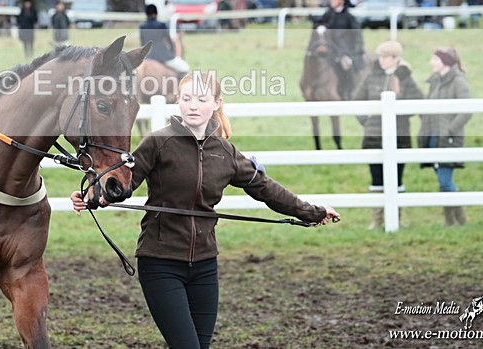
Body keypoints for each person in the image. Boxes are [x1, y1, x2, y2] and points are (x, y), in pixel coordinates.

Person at [71, 71, 339, 348]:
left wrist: (313, 212)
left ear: (216, 103)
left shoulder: (226, 152)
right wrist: (91, 195)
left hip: (205, 266)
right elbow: (121, 185)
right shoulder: (157, 143)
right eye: (187, 98)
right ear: (179, 101)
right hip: (160, 262)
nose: (193, 105)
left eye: (201, 99)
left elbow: (267, 189)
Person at [355, 40, 423, 230]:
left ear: (396, 59)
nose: (382, 60)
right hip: (373, 136)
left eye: (385, 57)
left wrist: (399, 100)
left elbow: (416, 103)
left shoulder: (406, 79)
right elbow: (357, 100)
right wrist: (366, 121)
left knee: (397, 178)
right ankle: (377, 220)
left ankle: (396, 218)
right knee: (376, 178)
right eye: (381, 56)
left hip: (398, 135)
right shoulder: (370, 77)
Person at [418, 47, 472, 226]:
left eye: (435, 59)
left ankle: (461, 220)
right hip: (433, 137)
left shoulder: (458, 81)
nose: (431, 62)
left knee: (445, 180)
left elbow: (466, 110)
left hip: (448, 138)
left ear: (445, 62)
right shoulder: (435, 81)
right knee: (443, 181)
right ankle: (451, 221)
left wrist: (450, 130)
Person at [313, 0, 366, 100]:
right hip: (331, 50)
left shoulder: (349, 18)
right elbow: (320, 26)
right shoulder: (328, 15)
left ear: (341, 0)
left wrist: (351, 54)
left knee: (346, 65)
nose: (331, 1)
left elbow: (357, 38)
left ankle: (349, 91)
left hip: (346, 52)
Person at [139, 4, 190, 77]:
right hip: (163, 57)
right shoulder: (161, 25)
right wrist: (172, 53)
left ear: (146, 14)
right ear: (156, 13)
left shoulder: (142, 27)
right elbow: (168, 40)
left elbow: (143, 44)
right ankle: (179, 86)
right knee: (185, 68)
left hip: (148, 57)